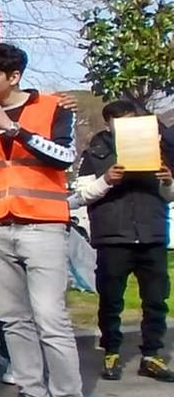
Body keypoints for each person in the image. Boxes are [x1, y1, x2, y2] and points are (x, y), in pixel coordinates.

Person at [0, 43, 84, 397]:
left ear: (13, 77)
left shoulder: (53, 107)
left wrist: (16, 130)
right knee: (14, 319)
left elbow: (65, 156)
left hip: (43, 226)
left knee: (52, 318)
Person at [74, 100, 174, 382]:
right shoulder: (96, 151)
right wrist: (107, 180)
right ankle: (111, 351)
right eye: (120, 121)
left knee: (156, 299)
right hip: (113, 237)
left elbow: (169, 196)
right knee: (111, 299)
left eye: (132, 119)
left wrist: (167, 181)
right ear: (109, 124)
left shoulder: (158, 149)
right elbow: (81, 195)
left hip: (151, 234)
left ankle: (152, 355)